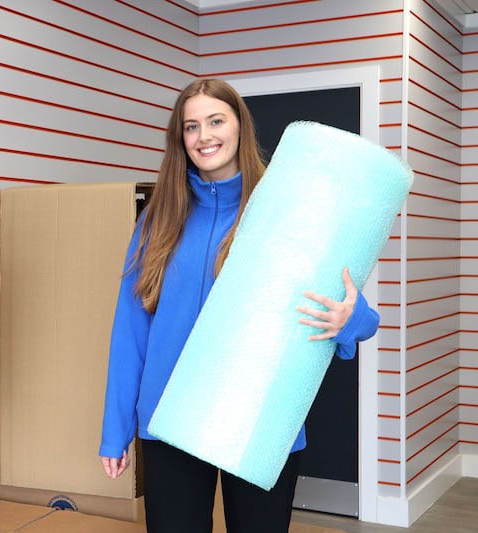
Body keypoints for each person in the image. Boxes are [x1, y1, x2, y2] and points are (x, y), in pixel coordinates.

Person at [98, 78, 380, 533]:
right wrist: (116, 429)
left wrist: (352, 319)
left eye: (215, 121)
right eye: (191, 127)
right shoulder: (159, 217)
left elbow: (355, 309)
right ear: (180, 139)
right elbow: (130, 329)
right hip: (169, 416)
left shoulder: (283, 209)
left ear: (239, 127)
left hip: (258, 417)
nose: (204, 136)